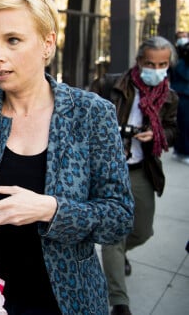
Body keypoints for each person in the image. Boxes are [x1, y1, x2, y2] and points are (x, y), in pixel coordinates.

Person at [0, 0, 134, 315]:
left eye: (12, 40)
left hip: (67, 299)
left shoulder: (90, 114)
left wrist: (51, 210)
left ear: (47, 43)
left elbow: (119, 217)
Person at [90, 36, 179, 315]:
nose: (156, 69)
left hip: (142, 169)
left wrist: (158, 134)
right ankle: (119, 301)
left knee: (142, 230)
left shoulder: (169, 98)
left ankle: (117, 255)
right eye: (150, 63)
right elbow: (86, 114)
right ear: (139, 61)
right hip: (109, 169)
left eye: (162, 64)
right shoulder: (110, 85)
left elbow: (173, 131)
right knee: (112, 235)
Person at [171, 36, 189, 165]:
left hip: (183, 96)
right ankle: (182, 150)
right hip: (182, 97)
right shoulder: (180, 64)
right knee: (184, 125)